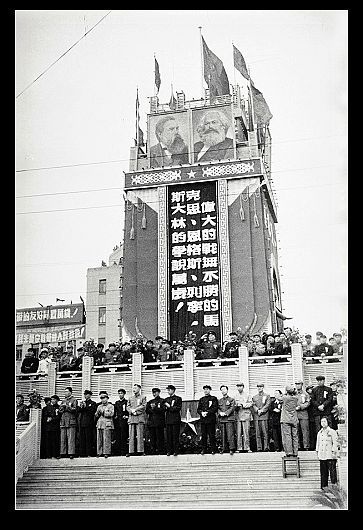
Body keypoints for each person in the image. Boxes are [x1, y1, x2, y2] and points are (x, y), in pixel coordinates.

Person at [316, 416, 338, 490]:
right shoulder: (320, 432)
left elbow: (335, 443)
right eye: (322, 421)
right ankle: (324, 488)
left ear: (328, 422)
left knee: (332, 473)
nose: (323, 423)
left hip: (330, 455)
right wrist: (317, 452)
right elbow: (318, 444)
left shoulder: (332, 431)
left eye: (324, 421)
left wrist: (334, 452)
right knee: (323, 473)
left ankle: (334, 488)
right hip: (322, 455)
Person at [197, 385, 218, 455]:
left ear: (210, 390)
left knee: (211, 435)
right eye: (204, 389)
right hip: (203, 420)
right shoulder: (201, 399)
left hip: (211, 420)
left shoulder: (213, 398)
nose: (206, 391)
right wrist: (201, 413)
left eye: (207, 389)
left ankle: (213, 449)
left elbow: (215, 408)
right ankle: (204, 449)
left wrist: (208, 413)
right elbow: (198, 409)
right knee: (204, 435)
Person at [126, 384, 147, 456]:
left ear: (139, 389)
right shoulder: (130, 398)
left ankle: (140, 451)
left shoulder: (143, 397)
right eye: (133, 388)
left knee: (140, 434)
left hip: (139, 418)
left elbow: (143, 406)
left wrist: (136, 410)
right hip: (132, 418)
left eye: (135, 388)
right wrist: (131, 411)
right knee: (131, 435)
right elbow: (128, 407)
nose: (134, 389)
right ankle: (131, 451)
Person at [279, 385, 299, 457]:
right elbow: (296, 394)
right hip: (294, 419)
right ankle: (295, 452)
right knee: (295, 436)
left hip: (286, 419)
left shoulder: (284, 398)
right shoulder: (296, 398)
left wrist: (285, 393)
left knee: (287, 436)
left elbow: (279, 398)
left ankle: (289, 452)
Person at [59, 386, 78, 459]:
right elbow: (60, 410)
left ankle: (71, 453)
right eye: (65, 392)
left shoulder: (74, 400)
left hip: (71, 421)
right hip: (63, 421)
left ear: (70, 392)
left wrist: (67, 407)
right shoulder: (63, 400)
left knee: (71, 438)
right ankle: (63, 453)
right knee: (63, 438)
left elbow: (75, 410)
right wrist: (61, 408)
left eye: (66, 391)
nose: (65, 393)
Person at [145, 388, 165, 454]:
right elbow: (147, 410)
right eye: (153, 392)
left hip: (159, 422)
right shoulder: (150, 401)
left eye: (155, 392)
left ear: (159, 392)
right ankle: (153, 450)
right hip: (152, 422)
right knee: (152, 437)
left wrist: (155, 408)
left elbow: (163, 410)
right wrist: (153, 409)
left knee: (160, 437)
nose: (154, 394)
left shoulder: (162, 401)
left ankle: (160, 450)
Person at [234, 383, 253, 453]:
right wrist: (236, 405)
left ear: (243, 387)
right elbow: (234, 405)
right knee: (238, 432)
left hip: (246, 415)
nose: (239, 388)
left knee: (246, 432)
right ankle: (239, 448)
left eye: (240, 386)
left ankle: (247, 447)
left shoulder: (247, 395)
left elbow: (251, 403)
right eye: (238, 386)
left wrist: (244, 405)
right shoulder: (235, 396)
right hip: (238, 415)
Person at [164, 384, 182, 456]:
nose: (168, 391)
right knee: (169, 436)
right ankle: (169, 451)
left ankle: (176, 451)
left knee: (175, 436)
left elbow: (177, 408)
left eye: (169, 390)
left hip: (175, 419)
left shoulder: (178, 398)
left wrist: (169, 407)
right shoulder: (166, 399)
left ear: (173, 390)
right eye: (167, 390)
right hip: (168, 419)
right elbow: (163, 408)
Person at [217, 385, 236, 455]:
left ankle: (231, 448)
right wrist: (220, 413)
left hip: (229, 419)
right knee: (223, 435)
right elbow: (218, 408)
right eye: (222, 390)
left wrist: (226, 413)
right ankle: (224, 448)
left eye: (224, 389)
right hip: (222, 419)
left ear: (227, 390)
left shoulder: (231, 399)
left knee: (230, 434)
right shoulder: (220, 400)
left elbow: (232, 408)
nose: (223, 391)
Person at [95, 392, 114, 458]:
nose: (103, 400)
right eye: (101, 398)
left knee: (106, 438)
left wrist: (103, 412)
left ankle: (106, 452)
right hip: (100, 423)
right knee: (99, 439)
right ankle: (99, 452)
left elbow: (111, 414)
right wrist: (97, 413)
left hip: (107, 423)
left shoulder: (111, 406)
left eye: (104, 398)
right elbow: (96, 415)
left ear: (107, 398)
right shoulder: (99, 406)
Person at [252, 383, 271, 451]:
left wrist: (262, 410)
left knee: (265, 432)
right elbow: (253, 405)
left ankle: (266, 447)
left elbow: (268, 404)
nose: (259, 388)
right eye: (258, 387)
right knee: (258, 433)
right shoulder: (255, 397)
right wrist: (257, 410)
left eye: (261, 387)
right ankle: (259, 447)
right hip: (257, 416)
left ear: (263, 387)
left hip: (264, 416)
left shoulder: (267, 396)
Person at [78, 390, 97, 457]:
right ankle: (82, 453)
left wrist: (85, 407)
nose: (85, 396)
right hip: (82, 422)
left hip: (89, 423)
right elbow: (79, 411)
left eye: (87, 394)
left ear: (90, 395)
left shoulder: (93, 403)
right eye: (85, 394)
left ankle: (89, 453)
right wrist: (81, 407)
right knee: (82, 439)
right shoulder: (83, 402)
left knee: (89, 439)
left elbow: (92, 411)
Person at [43, 395, 61, 459]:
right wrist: (47, 419)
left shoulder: (58, 407)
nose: (52, 401)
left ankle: (54, 455)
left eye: (54, 399)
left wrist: (52, 419)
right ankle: (48, 455)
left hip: (55, 427)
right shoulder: (48, 407)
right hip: (48, 427)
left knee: (55, 441)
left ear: (57, 400)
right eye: (52, 399)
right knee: (48, 441)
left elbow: (58, 416)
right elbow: (45, 416)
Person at [295, 379, 311, 450]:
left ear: (302, 385)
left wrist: (301, 406)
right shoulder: (293, 393)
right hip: (295, 414)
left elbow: (308, 403)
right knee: (296, 431)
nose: (298, 385)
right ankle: (297, 446)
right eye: (296, 384)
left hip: (303, 414)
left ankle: (306, 446)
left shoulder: (305, 394)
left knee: (305, 431)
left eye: (299, 384)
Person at [113, 388, 129, 456]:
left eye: (121, 393)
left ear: (124, 394)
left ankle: (124, 451)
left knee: (124, 436)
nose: (120, 395)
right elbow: (115, 412)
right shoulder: (117, 403)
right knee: (118, 436)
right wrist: (115, 416)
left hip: (124, 421)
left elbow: (128, 410)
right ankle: (118, 451)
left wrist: (127, 416)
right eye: (119, 393)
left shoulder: (126, 402)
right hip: (118, 422)